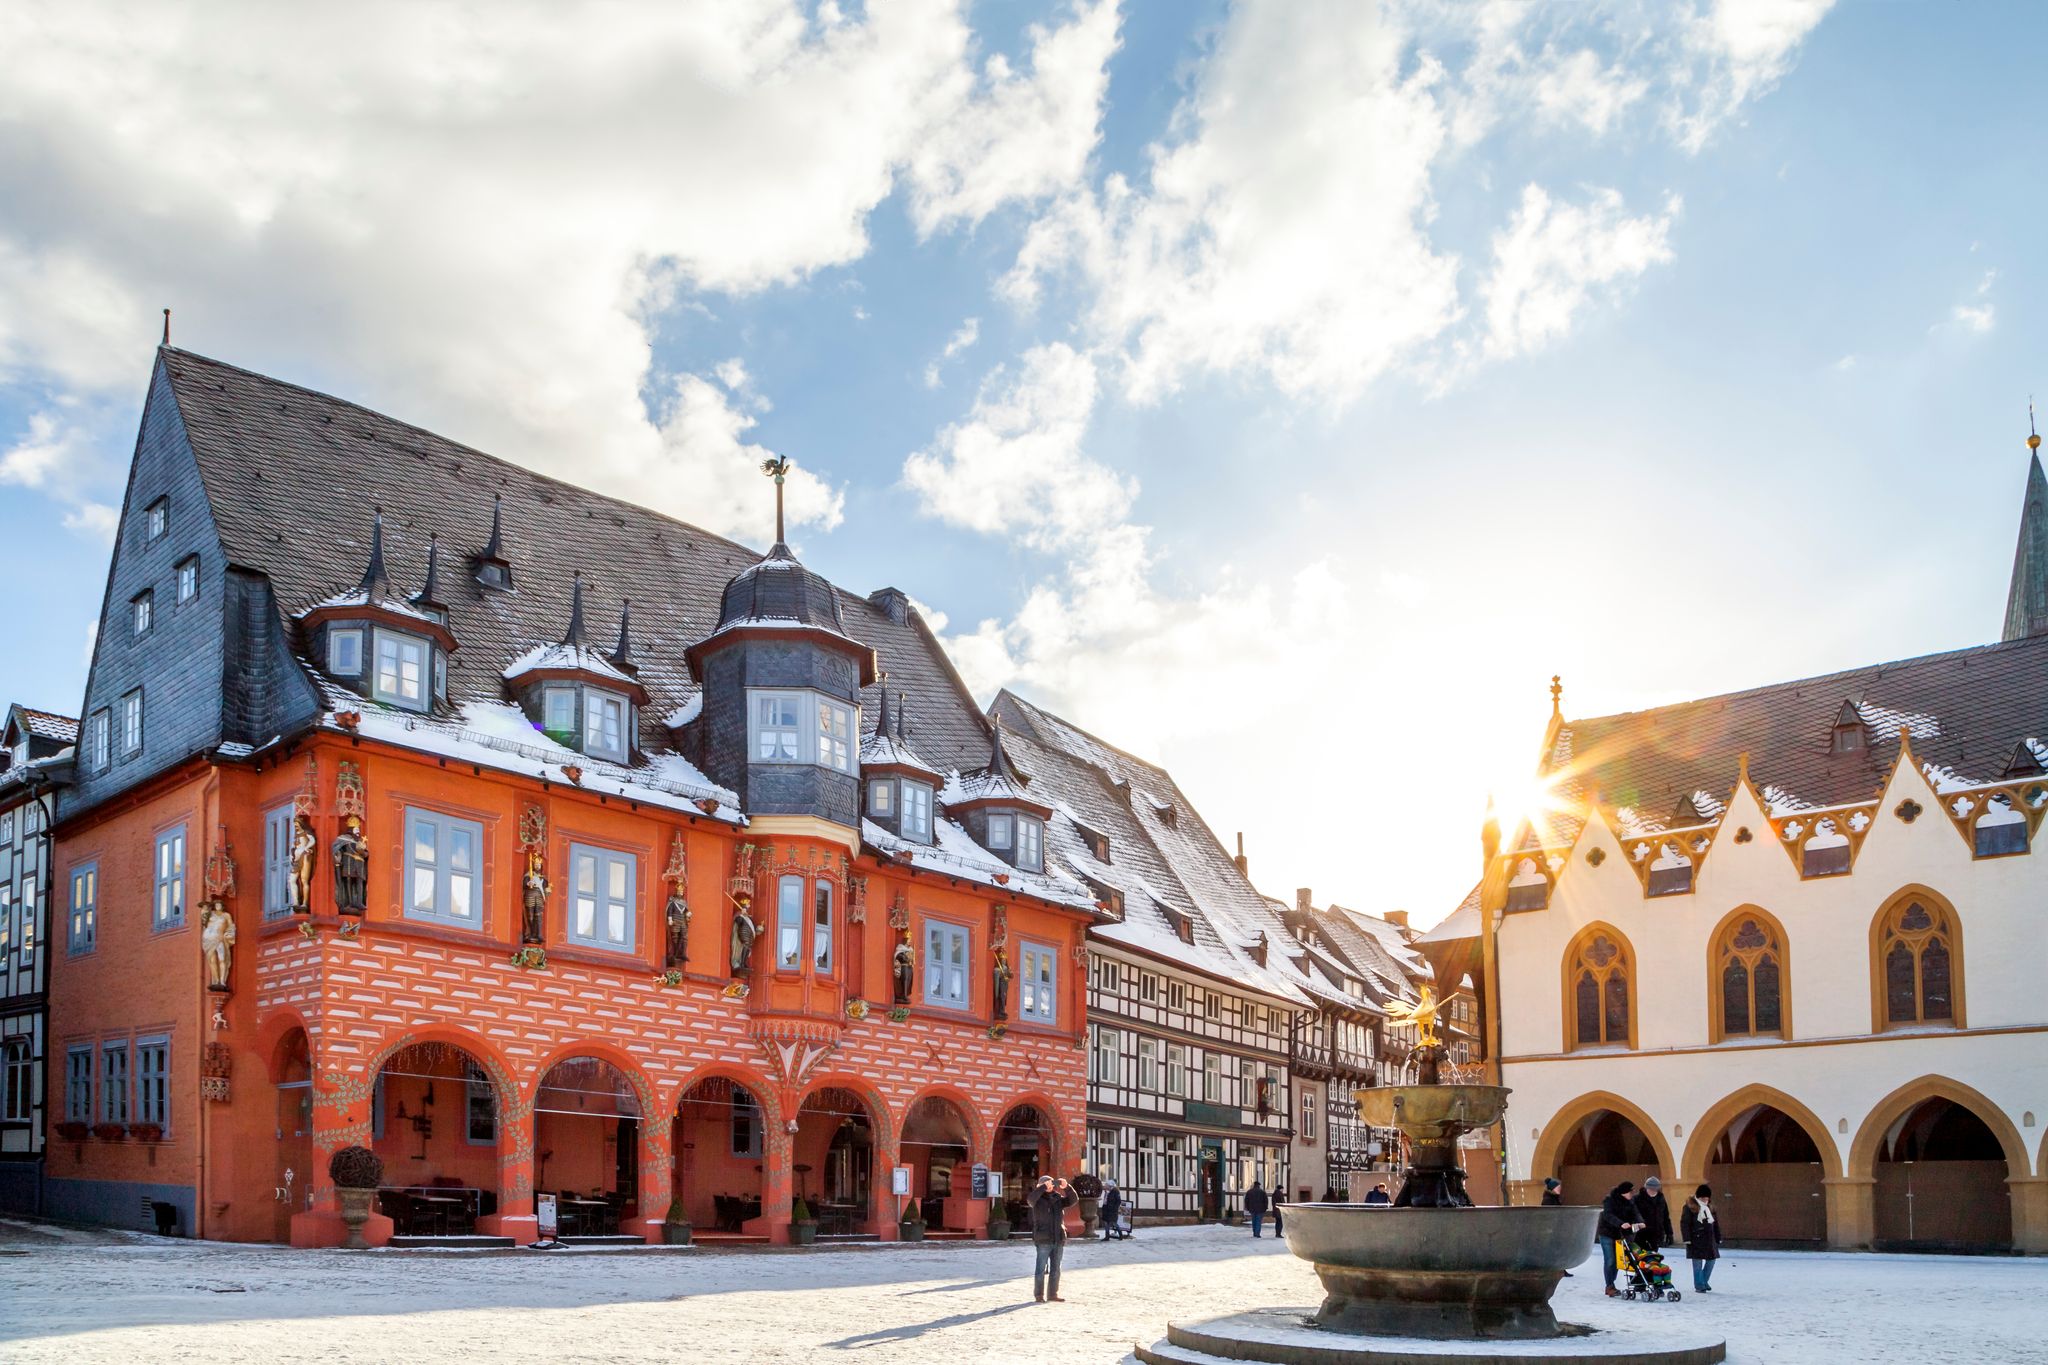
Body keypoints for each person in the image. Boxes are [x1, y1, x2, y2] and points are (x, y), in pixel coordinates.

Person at [1028, 1175, 1077, 1303]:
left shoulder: (1058, 1198)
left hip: (1058, 1238)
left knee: (1056, 1269)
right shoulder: (1037, 1199)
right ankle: (1039, 1295)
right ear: (1040, 1185)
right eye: (1045, 1184)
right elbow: (1030, 1200)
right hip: (1043, 1239)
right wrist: (1042, 1188)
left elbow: (1073, 1200)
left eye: (1050, 1183)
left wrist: (1067, 1187)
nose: (1049, 1185)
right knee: (1040, 1269)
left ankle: (1052, 1294)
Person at [1596, 1181, 1645, 1298]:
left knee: (1618, 1261)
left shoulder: (1630, 1201)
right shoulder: (1610, 1200)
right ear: (1624, 1192)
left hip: (1620, 1235)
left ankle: (1611, 1284)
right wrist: (1620, 1223)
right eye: (1630, 1192)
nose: (1632, 1194)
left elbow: (1635, 1213)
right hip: (1607, 1234)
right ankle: (1609, 1285)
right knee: (1610, 1260)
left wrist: (1640, 1222)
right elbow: (1608, 1215)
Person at [1680, 1184, 1723, 1293]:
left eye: (1707, 1198)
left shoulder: (1710, 1207)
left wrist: (1718, 1237)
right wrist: (1687, 1238)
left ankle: (1703, 1281)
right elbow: (1685, 1223)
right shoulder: (1689, 1207)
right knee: (1697, 1263)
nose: (1705, 1200)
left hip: (1709, 1239)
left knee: (1711, 1261)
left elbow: (1715, 1224)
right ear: (1698, 1197)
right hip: (1696, 1238)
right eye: (1703, 1198)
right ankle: (1699, 1285)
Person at [1636, 1176, 1673, 1250]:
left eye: (1654, 1189)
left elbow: (1665, 1217)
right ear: (1646, 1188)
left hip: (1656, 1233)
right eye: (1650, 1189)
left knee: (1653, 1257)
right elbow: (1634, 1214)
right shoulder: (1637, 1199)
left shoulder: (1661, 1199)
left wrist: (1669, 1233)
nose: (1652, 1191)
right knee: (1642, 1257)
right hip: (1641, 1234)